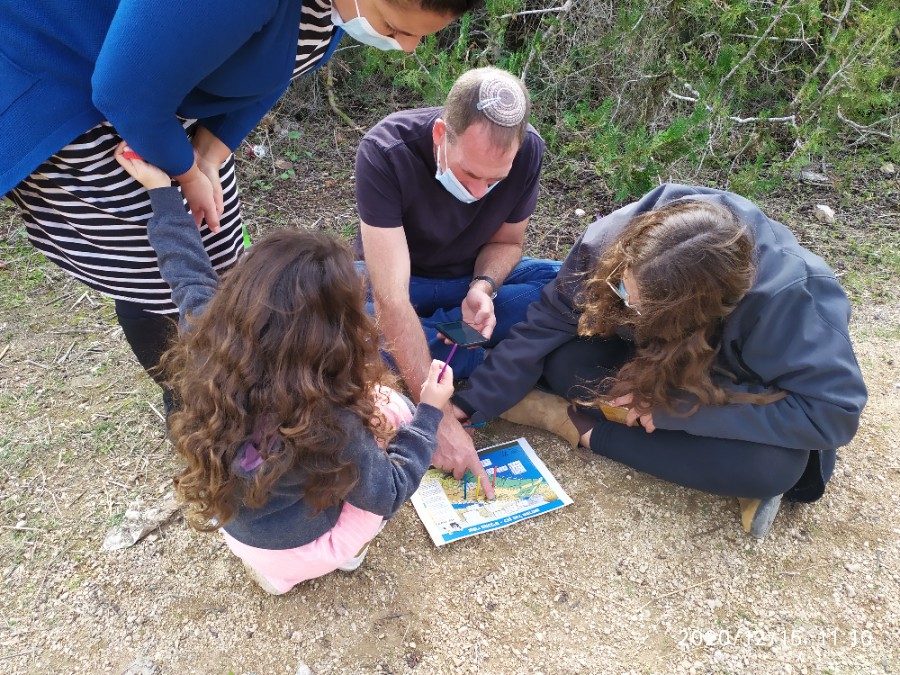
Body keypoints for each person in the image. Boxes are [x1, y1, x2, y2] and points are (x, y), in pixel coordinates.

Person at [0, 0, 477, 412]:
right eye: (395, 27)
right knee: (155, 274)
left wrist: (207, 154)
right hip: (78, 99)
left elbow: (281, 63)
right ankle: (198, 408)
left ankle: (236, 391)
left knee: (219, 263)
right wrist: (184, 171)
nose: (408, 47)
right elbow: (123, 92)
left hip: (164, 102)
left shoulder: (340, 6)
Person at [113, 145, 454, 594]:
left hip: (242, 536)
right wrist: (430, 411)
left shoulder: (207, 340)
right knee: (394, 409)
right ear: (332, 338)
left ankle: (275, 580)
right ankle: (345, 556)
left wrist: (161, 192)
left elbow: (186, 273)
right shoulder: (331, 418)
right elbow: (387, 491)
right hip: (307, 545)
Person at [451, 184, 867, 538]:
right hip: (657, 356)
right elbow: (550, 318)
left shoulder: (792, 301)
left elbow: (833, 415)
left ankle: (583, 427)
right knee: (563, 361)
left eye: (638, 306)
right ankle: (615, 417)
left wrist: (681, 410)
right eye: (621, 288)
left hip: (732, 386)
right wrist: (472, 403)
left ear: (693, 313)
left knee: (774, 469)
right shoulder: (615, 240)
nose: (623, 303)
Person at [354, 67, 562, 495]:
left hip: (465, 281)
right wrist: (439, 420)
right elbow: (392, 297)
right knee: (335, 327)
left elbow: (508, 241)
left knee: (559, 284)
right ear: (440, 135)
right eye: (470, 173)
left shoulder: (529, 153)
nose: (482, 190)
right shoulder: (385, 150)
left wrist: (483, 287)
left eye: (496, 180)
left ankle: (442, 343)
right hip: (395, 284)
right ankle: (473, 356)